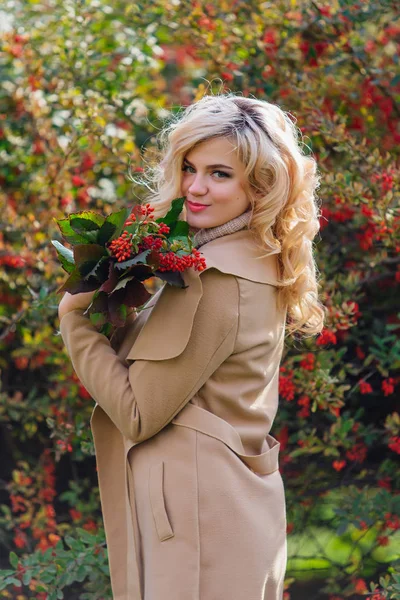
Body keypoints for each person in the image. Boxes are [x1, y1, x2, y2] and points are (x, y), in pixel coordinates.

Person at [58, 92, 326, 600]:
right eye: (188, 167)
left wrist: (75, 320)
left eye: (220, 174)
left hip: (196, 524)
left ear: (260, 183)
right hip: (223, 513)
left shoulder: (217, 278)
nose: (195, 188)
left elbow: (139, 412)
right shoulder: (255, 259)